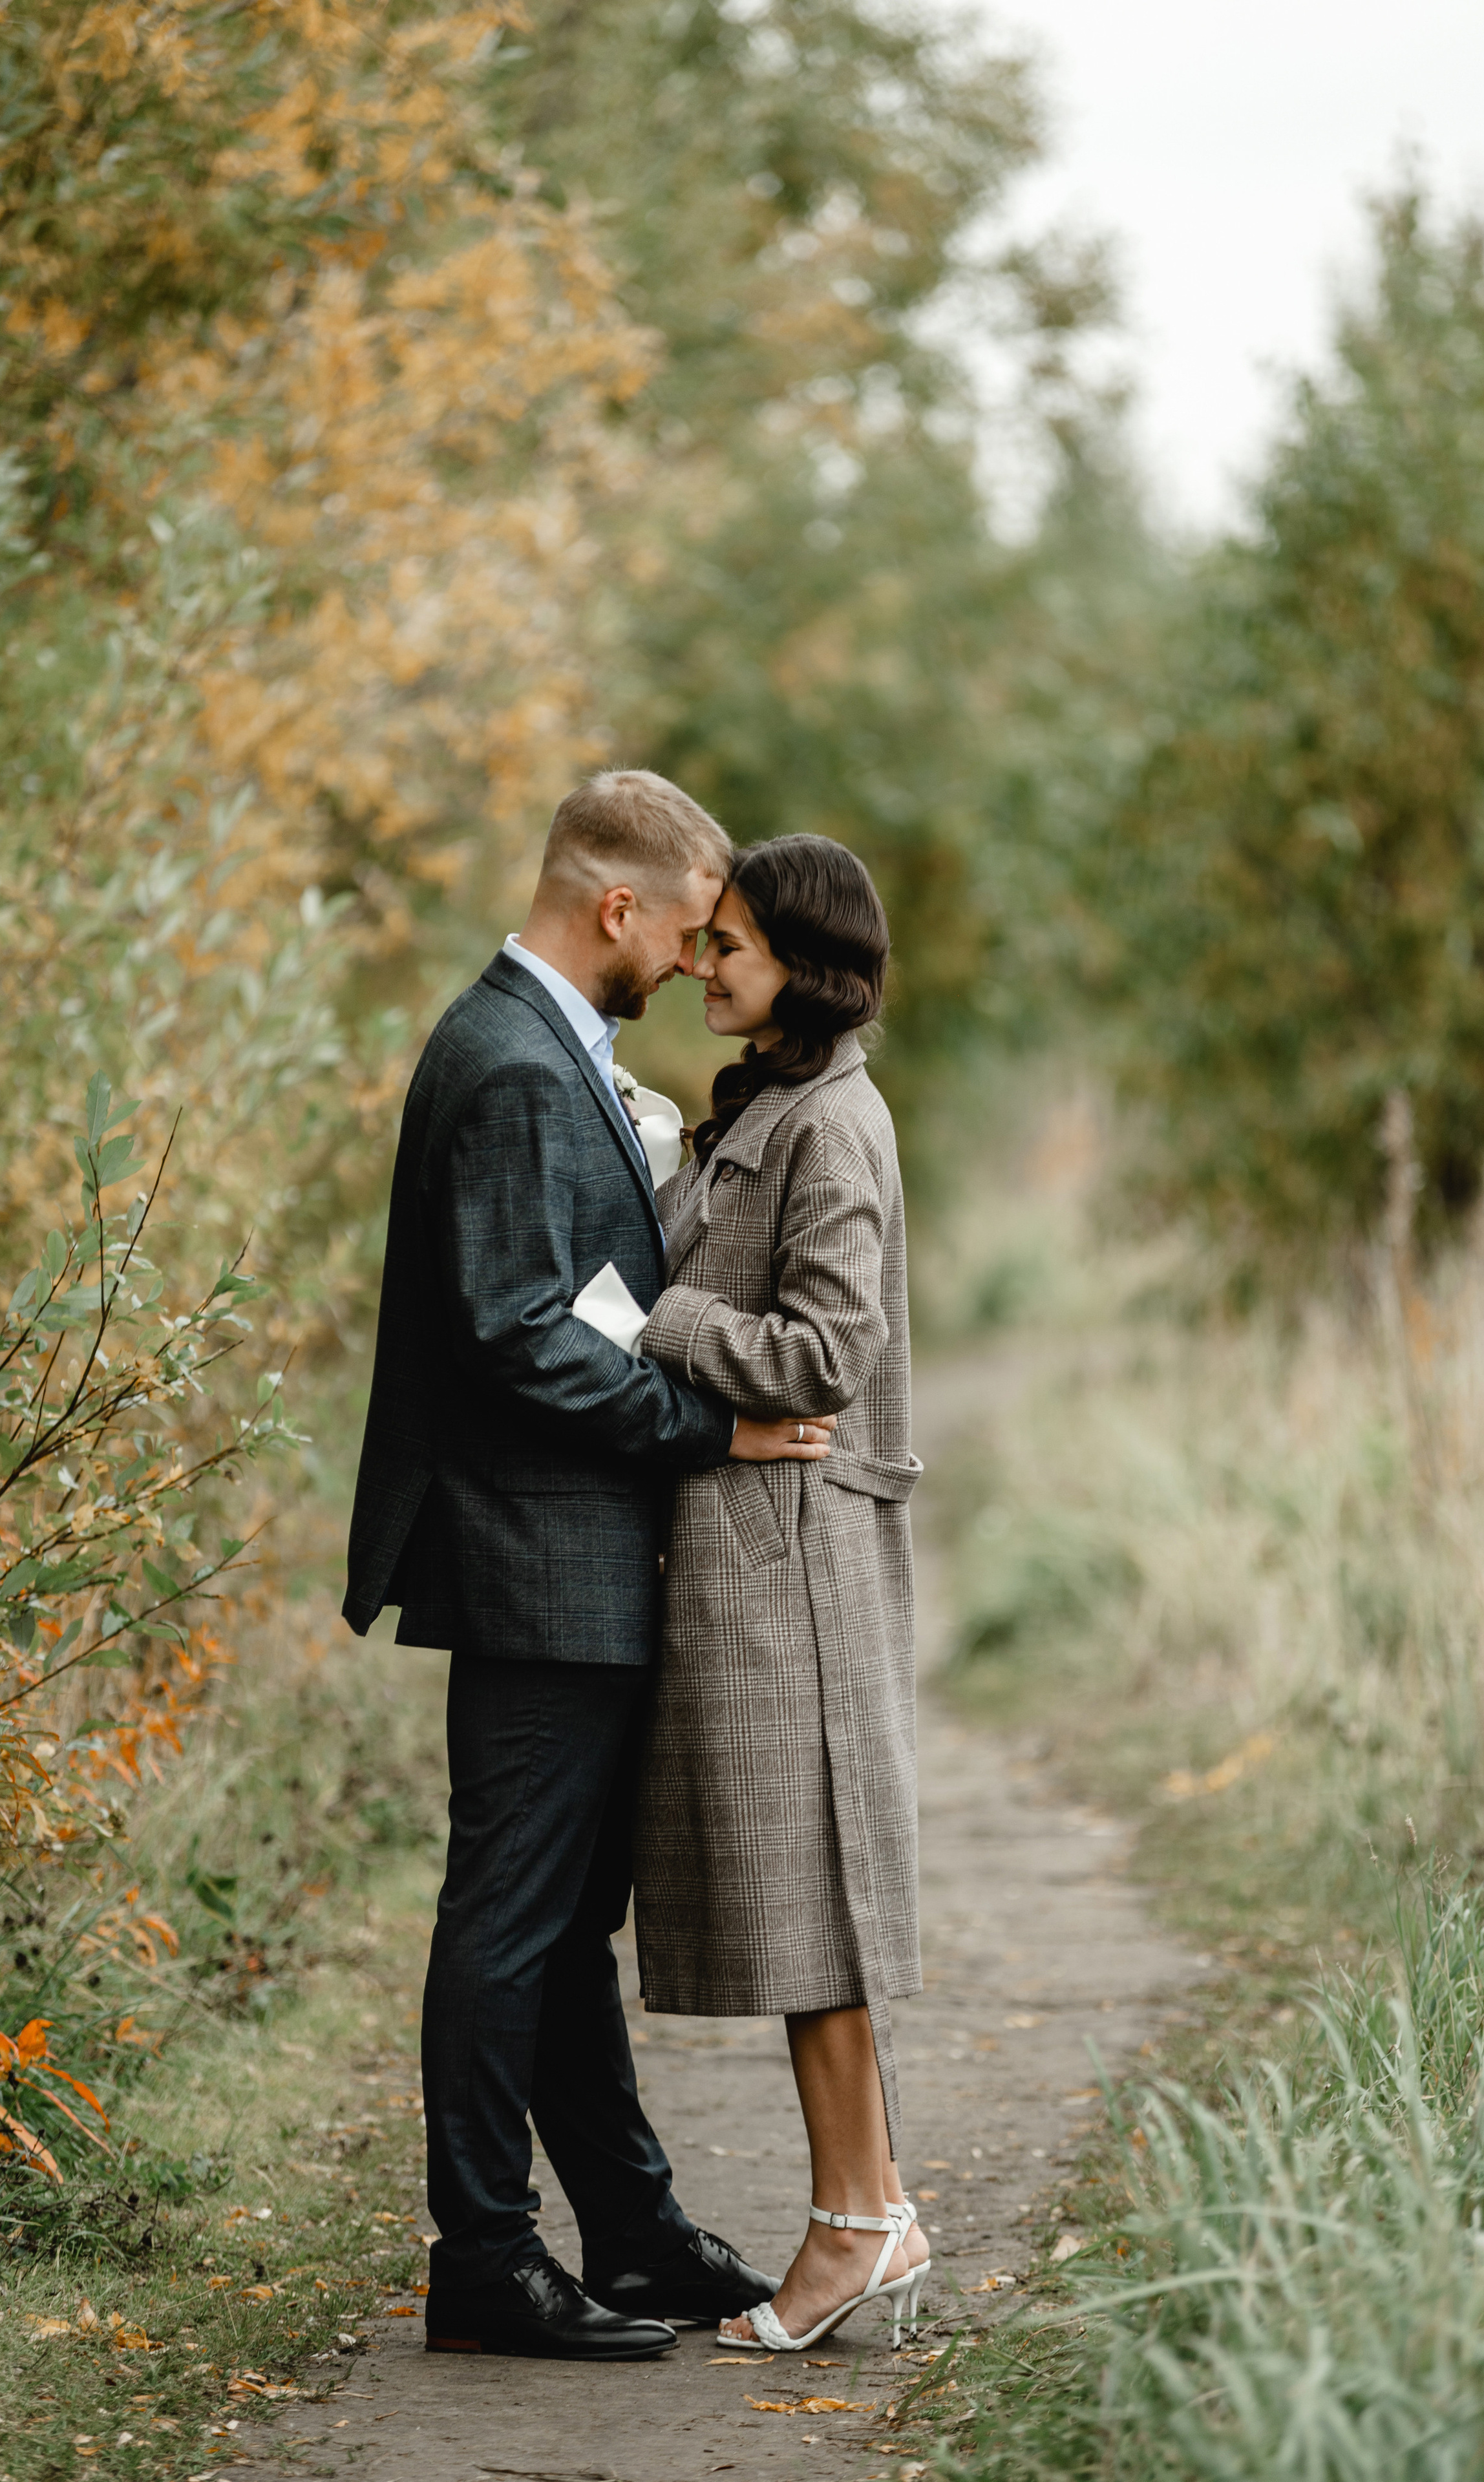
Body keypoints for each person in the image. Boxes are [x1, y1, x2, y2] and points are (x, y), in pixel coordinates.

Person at [340, 772, 835, 2362]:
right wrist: (707, 1430)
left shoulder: (554, 1054)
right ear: (611, 906)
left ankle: (624, 2231)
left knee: (556, 1928)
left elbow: (572, 1296)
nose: (699, 962)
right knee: (509, 1917)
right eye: (689, 930)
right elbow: (512, 1335)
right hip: (530, 1555)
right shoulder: (504, 1062)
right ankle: (483, 2254)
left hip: (571, 1558)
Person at [633, 834, 926, 2353]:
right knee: (802, 1910)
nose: (699, 964)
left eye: (726, 945)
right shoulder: (767, 1108)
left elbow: (827, 1356)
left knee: (815, 1914)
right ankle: (873, 2206)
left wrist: (658, 1321)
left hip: (793, 1567)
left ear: (800, 965)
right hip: (754, 1557)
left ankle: (850, 2230)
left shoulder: (836, 1124)